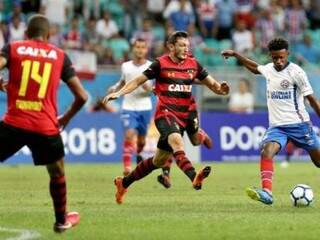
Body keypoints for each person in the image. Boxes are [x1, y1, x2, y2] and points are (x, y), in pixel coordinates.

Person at [104, 31, 229, 204]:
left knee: (159, 160)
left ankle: (123, 183)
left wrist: (221, 89)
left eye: (187, 45)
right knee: (177, 142)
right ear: (171, 47)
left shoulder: (193, 64)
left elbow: (214, 85)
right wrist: (118, 93)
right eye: (182, 45)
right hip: (165, 114)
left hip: (186, 114)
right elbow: (137, 81)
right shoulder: (159, 64)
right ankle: (194, 177)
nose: (186, 49)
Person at [0, 14, 88, 231]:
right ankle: (61, 221)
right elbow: (83, 96)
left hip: (14, 123)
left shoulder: (14, 48)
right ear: (48, 36)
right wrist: (65, 119)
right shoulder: (59, 55)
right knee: (57, 172)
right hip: (46, 127)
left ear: (27, 34)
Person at [222, 37, 320, 205]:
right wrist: (236, 55)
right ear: (270, 56)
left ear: (287, 54)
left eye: (282, 57)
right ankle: (267, 192)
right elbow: (254, 68)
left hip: (300, 125)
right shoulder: (269, 69)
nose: (279, 61)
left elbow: (311, 99)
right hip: (277, 127)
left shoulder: (296, 72)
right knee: (266, 152)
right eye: (275, 58)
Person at [107, 38, 153, 176]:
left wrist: (148, 89)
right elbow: (122, 81)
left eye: (142, 47)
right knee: (129, 134)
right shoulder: (126, 66)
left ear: (146, 50)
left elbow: (153, 89)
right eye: (137, 47)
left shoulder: (151, 66)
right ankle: (127, 167)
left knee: (141, 140)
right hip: (128, 106)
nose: (139, 50)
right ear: (133, 49)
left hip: (145, 106)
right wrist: (114, 88)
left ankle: (138, 154)